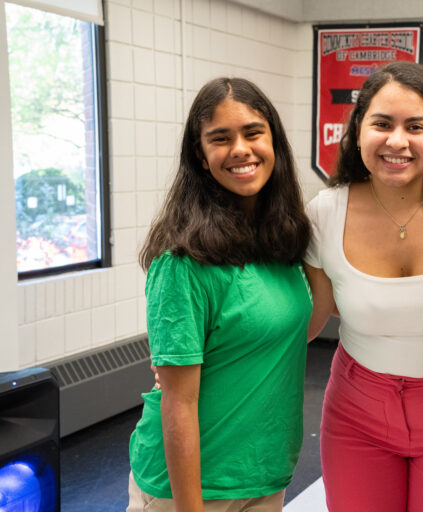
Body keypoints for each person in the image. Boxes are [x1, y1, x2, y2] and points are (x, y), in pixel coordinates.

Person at [303, 61, 423, 511]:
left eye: (415, 126)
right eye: (382, 124)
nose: (397, 141)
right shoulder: (325, 213)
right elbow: (307, 318)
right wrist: (204, 364)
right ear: (356, 133)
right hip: (356, 416)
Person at [127, 77, 312, 512]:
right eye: (220, 138)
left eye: (252, 133)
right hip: (191, 490)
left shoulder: (281, 242)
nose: (240, 150)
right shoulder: (183, 261)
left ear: (274, 141)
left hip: (263, 474)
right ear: (200, 153)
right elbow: (178, 402)